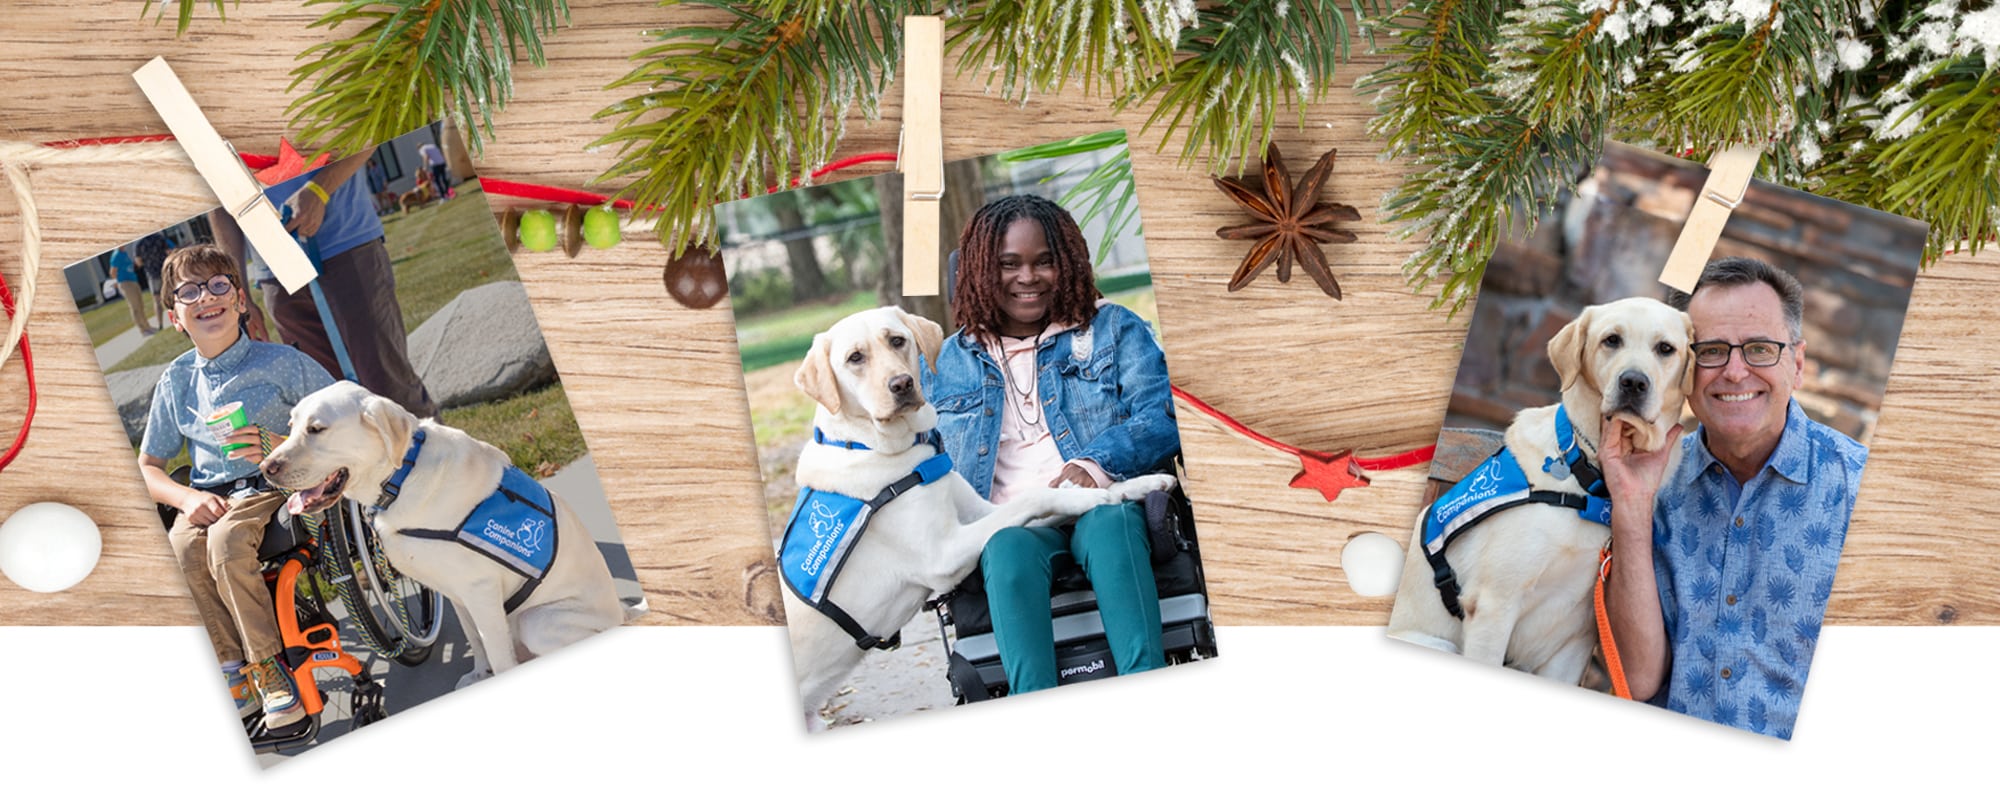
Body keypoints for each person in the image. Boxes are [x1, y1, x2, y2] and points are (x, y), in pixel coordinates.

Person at [922, 194, 1180, 695]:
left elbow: (1162, 412)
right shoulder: (942, 362)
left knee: (1111, 527)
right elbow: (920, 460)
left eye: (1045, 261)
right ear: (978, 271)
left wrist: (1098, 463)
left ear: (1069, 263)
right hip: (1010, 522)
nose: (1028, 277)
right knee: (1007, 547)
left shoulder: (1113, 329)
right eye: (1008, 264)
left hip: (1100, 504)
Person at [1600, 256, 1868, 739]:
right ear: (1683, 370)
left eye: (1761, 349)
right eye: (1711, 351)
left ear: (1798, 364)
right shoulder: (1652, 481)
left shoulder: (1862, 491)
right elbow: (1637, 681)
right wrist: (1632, 509)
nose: (1735, 372)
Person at [137, 244, 336, 732]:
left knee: (227, 543)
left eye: (218, 285)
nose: (206, 297)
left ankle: (268, 667)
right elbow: (147, 467)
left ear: (241, 301)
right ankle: (232, 669)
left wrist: (277, 445)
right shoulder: (177, 380)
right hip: (208, 496)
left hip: (275, 485)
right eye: (189, 291)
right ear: (175, 317)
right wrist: (186, 498)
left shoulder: (282, 363)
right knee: (181, 548)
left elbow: (340, 418)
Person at [210, 145, 439, 419]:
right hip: (277, 273)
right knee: (327, 408)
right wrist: (237, 292)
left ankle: (440, 460)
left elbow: (367, 132)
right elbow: (217, 199)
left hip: (346, 245)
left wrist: (318, 191)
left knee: (389, 391)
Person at [107, 244, 157, 336]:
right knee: (135, 307)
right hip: (125, 283)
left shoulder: (124, 253)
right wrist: (119, 282)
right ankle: (143, 330)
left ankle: (147, 326)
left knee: (140, 305)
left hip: (133, 280)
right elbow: (112, 272)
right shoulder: (116, 255)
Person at [134, 232, 175, 331]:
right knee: (171, 296)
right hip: (164, 270)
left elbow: (138, 263)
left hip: (152, 274)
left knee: (157, 301)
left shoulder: (139, 244)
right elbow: (169, 251)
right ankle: (176, 318)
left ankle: (160, 324)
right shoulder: (159, 237)